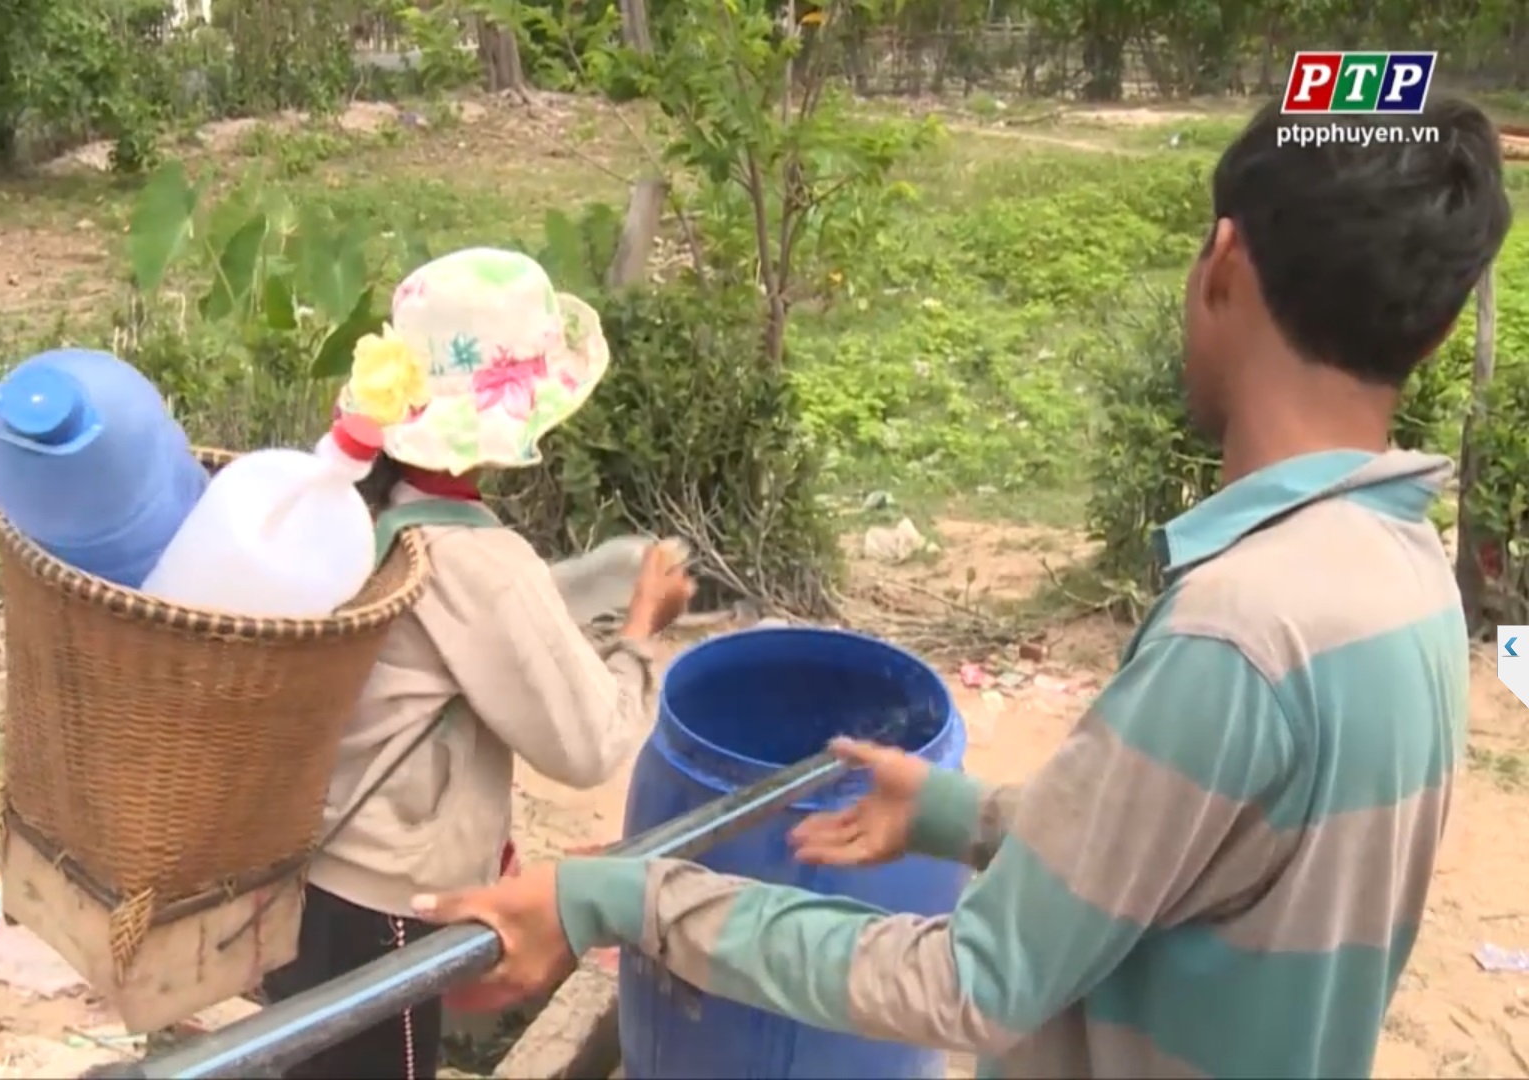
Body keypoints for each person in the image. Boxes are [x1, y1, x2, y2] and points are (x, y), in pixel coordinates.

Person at [412, 98, 1511, 1078]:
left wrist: (618, 897)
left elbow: (974, 983)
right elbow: (1193, 835)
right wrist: (964, 814)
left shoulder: (1241, 631)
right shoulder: (1404, 577)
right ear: (1439, 318)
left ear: (1222, 262)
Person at [260, 247, 696, 1080]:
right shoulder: (479, 564)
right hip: (386, 907)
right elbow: (587, 744)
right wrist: (641, 632)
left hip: (309, 876)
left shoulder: (364, 509)